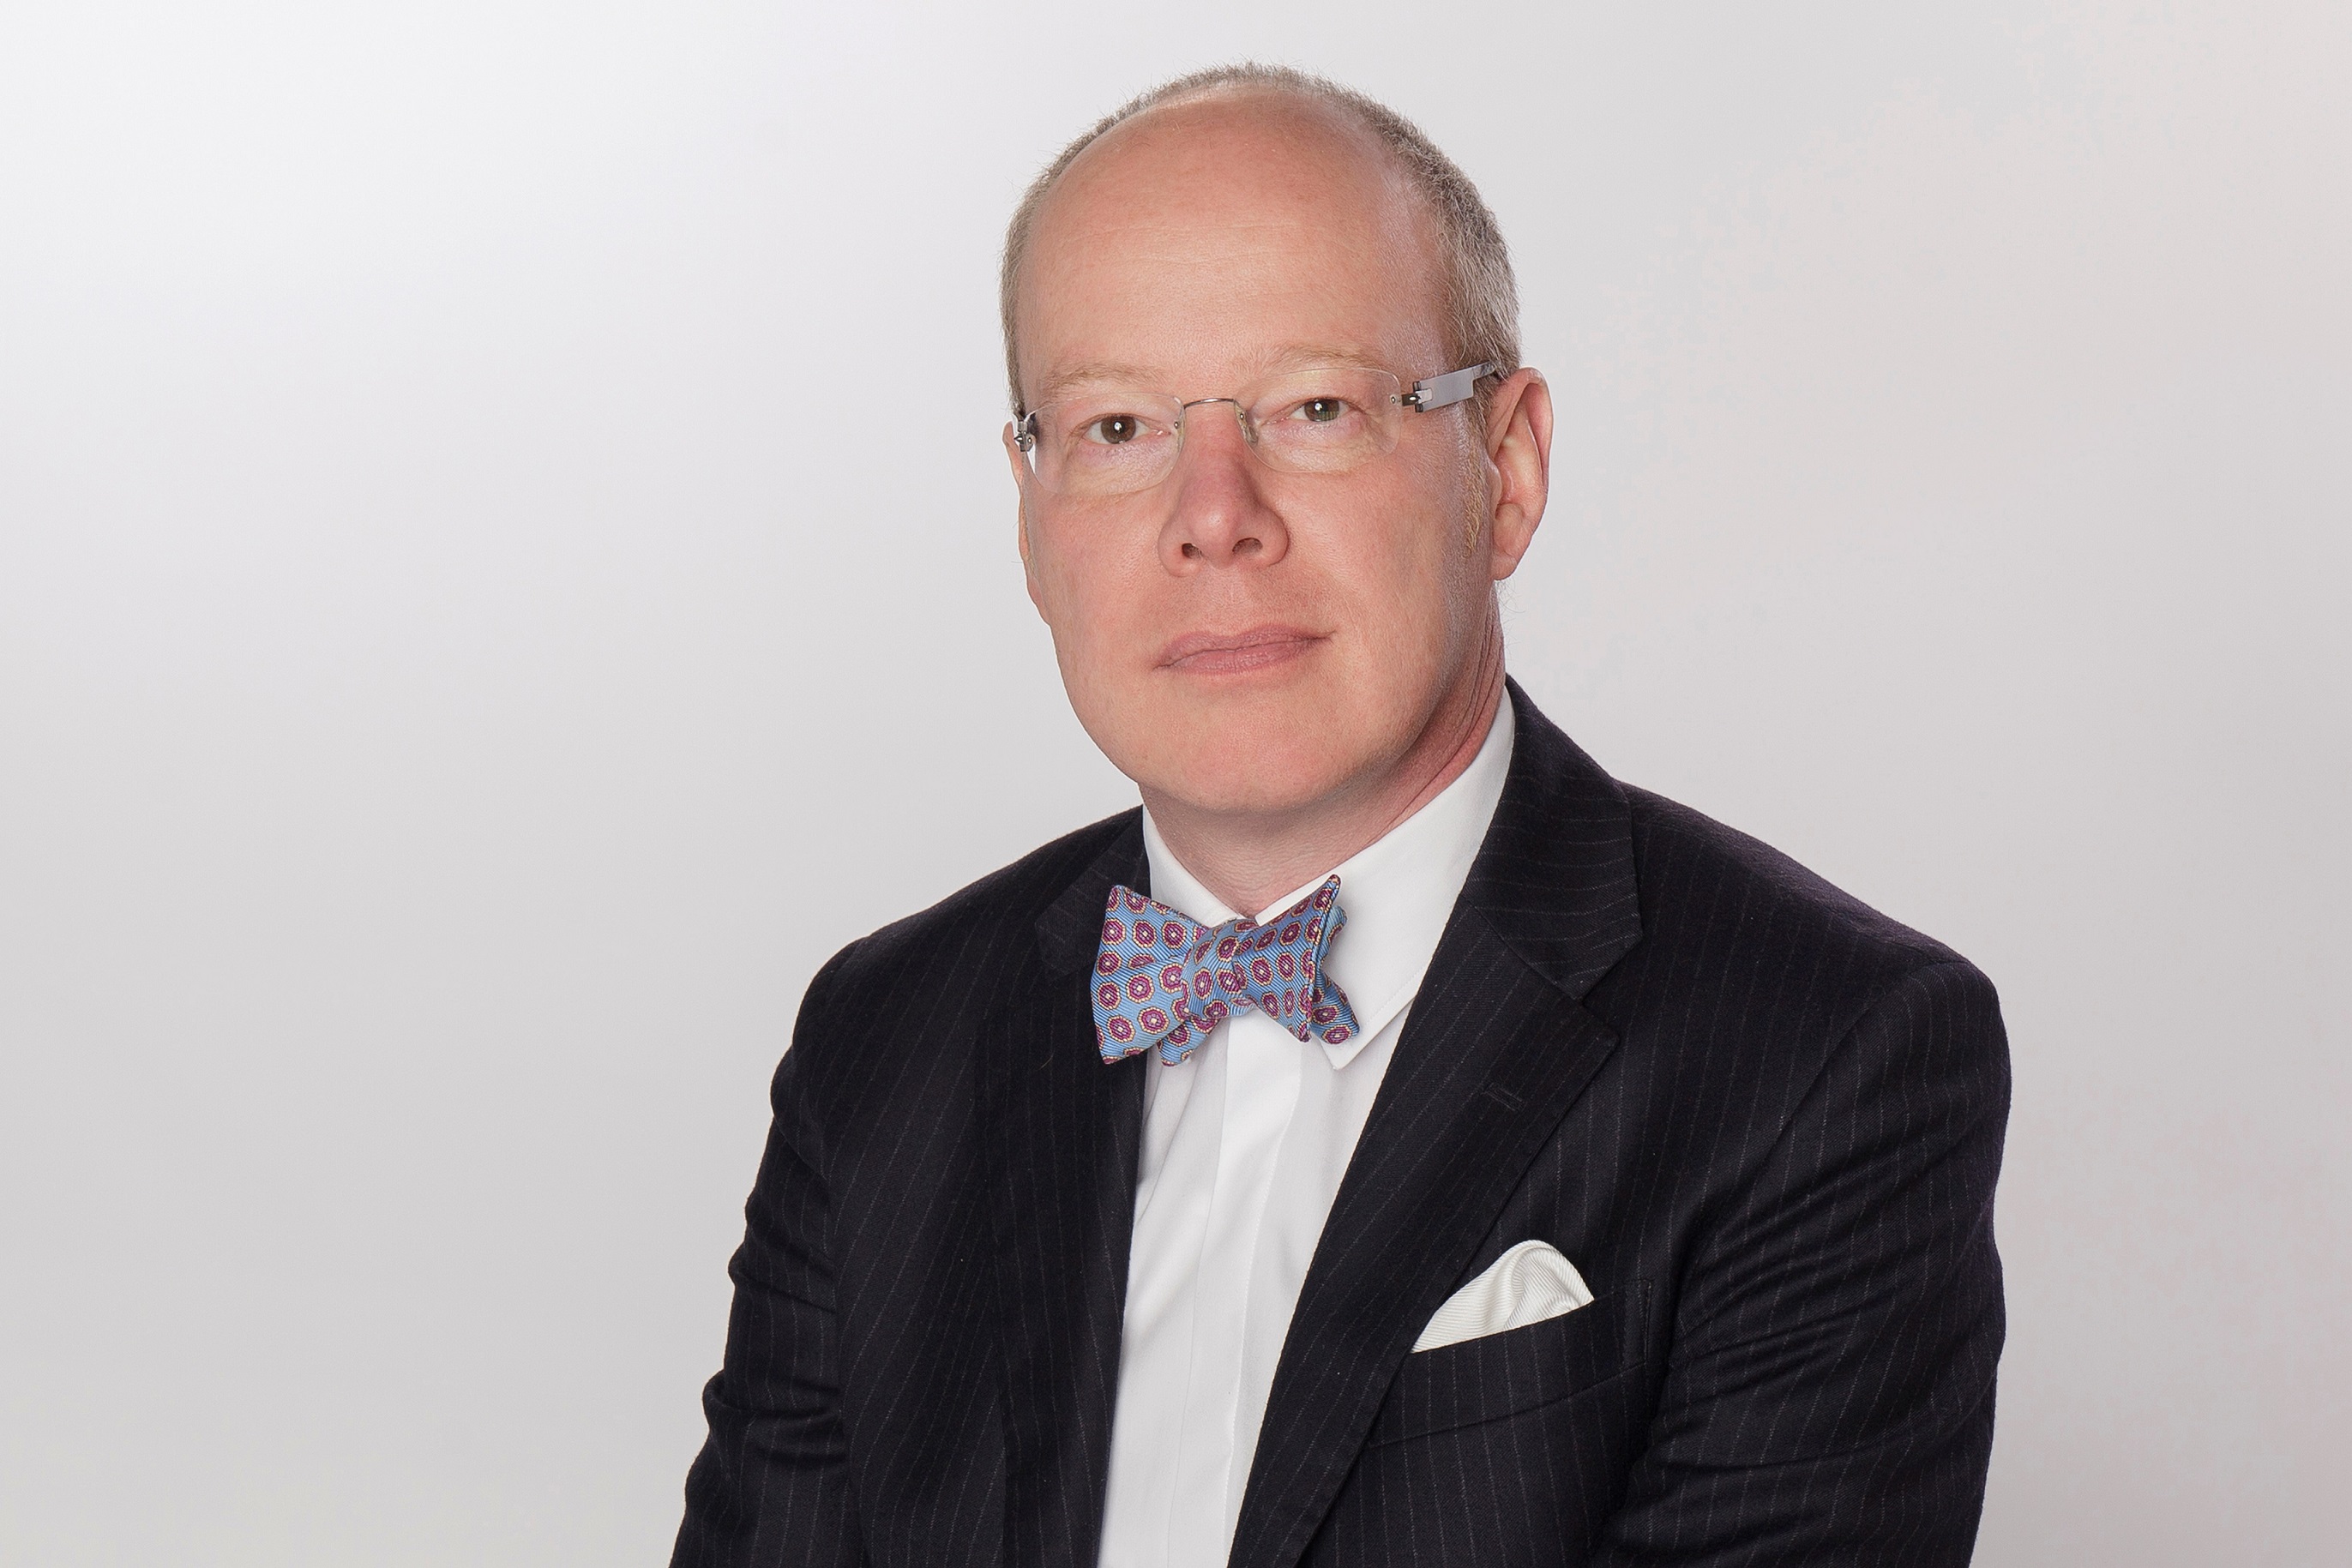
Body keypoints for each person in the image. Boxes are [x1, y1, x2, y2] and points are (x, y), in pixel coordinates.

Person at [671, 63, 2009, 1568]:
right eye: (1117, 428)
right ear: (1031, 514)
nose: (1214, 514)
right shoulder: (881, 1040)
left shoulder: (1827, 1054)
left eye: (1316, 407)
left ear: (1505, 470)